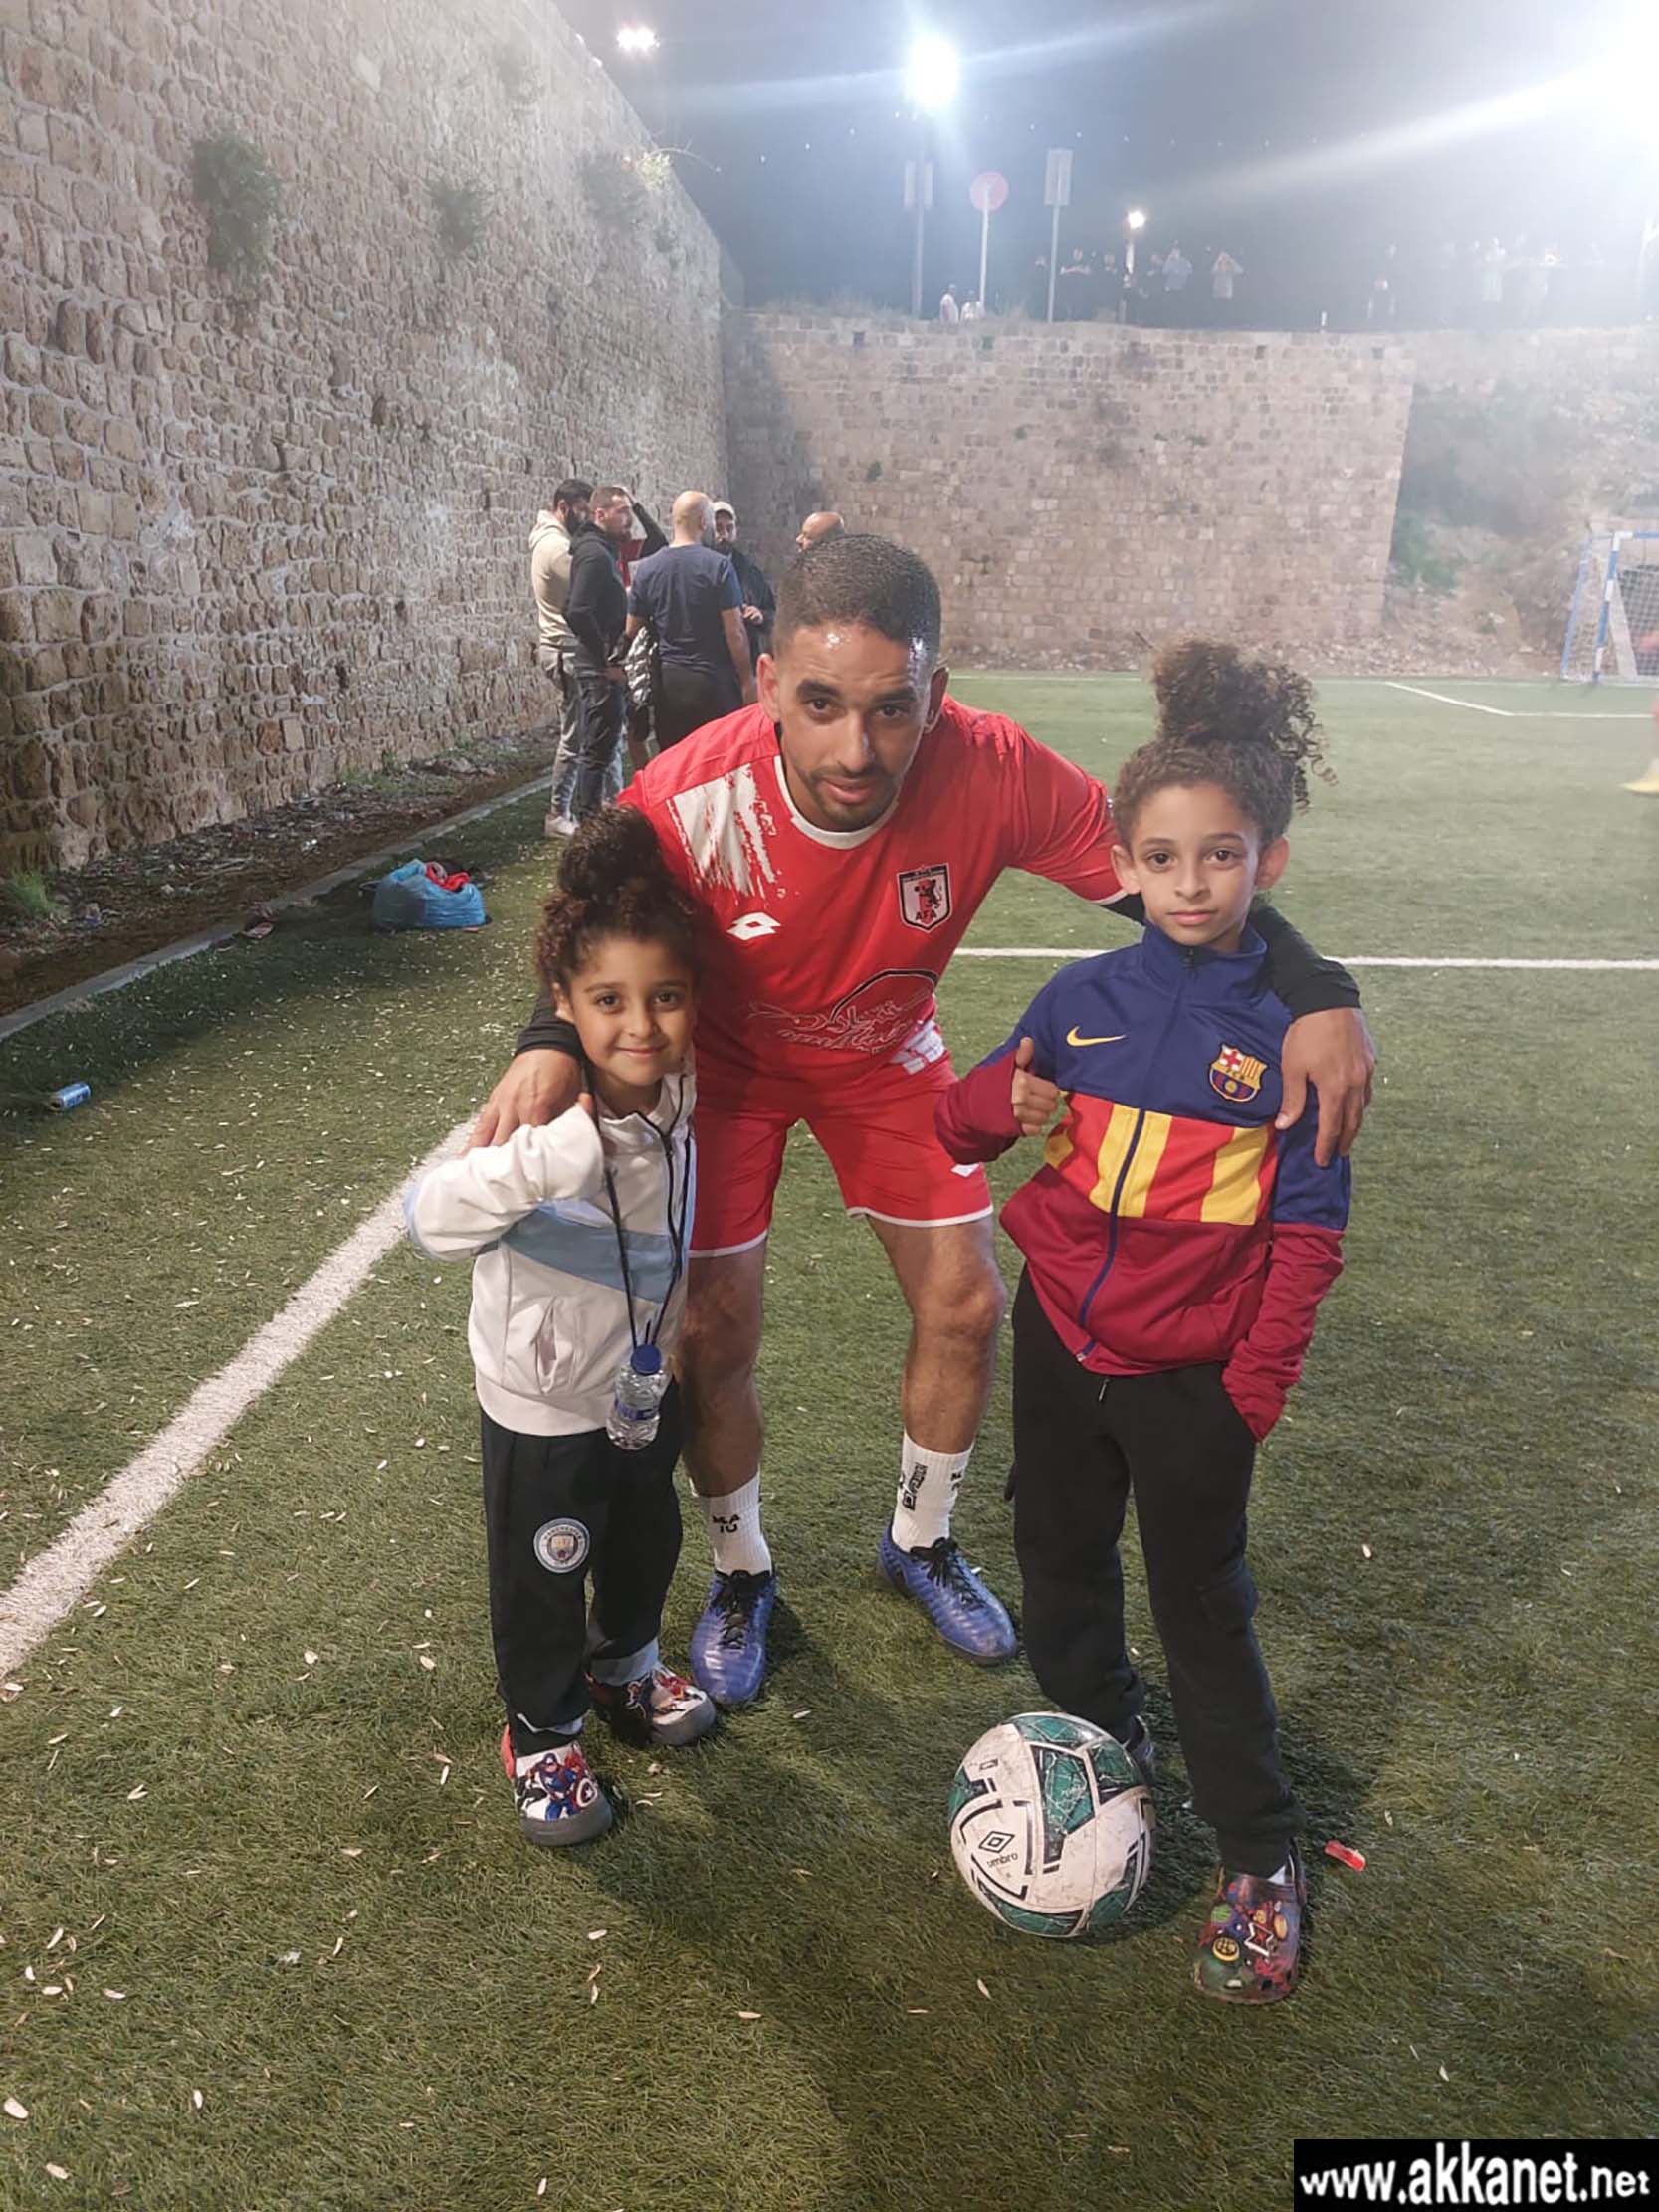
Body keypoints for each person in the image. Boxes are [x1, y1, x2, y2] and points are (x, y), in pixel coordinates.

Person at [468, 536, 1375, 1710]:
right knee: (713, 1330)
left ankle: (922, 1539)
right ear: (767, 685)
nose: (855, 749)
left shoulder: (993, 770)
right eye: (820, 705)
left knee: (964, 1302)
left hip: (883, 1053)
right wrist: (547, 1041)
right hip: (729, 1070)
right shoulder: (690, 796)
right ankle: (741, 1570)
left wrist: (1318, 991)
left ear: (934, 695)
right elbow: (586, 910)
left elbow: (1176, 884)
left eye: (890, 710)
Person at [935, 640, 1351, 2003]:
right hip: (1060, 1346)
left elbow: (1308, 1233)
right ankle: (1102, 1745)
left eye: (1219, 856)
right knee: (1056, 1562)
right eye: (1162, 858)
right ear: (1122, 862)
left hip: (1191, 1385)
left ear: (1266, 861)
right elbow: (956, 1123)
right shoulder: (1080, 999)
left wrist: (1249, 1394)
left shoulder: (1290, 1035)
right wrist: (1002, 1103)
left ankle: (1258, 1855)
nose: (1189, 883)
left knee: (1199, 1608)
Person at [406, 809, 714, 1847]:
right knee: (545, 1566)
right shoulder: (538, 1121)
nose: (641, 1026)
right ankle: (540, 1733)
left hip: (641, 1387)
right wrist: (540, 1163)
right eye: (608, 1001)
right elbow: (427, 1219)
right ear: (563, 1004)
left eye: (665, 996)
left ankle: (624, 1664)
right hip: (541, 1406)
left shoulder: (682, 1094)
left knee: (644, 1539)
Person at [626, 492, 757, 751]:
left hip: (669, 682)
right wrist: (747, 680)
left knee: (675, 759)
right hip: (714, 682)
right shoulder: (718, 566)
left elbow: (631, 629)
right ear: (702, 523)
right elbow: (735, 632)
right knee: (718, 758)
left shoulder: (648, 568)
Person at [561, 486, 640, 823]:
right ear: (600, 514)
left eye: (630, 512)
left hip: (599, 663)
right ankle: (588, 822)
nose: (629, 519)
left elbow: (657, 544)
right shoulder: (595, 554)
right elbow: (576, 610)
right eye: (622, 512)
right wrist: (604, 656)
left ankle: (591, 818)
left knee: (602, 748)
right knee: (596, 750)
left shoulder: (602, 549)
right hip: (599, 668)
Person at [529, 477, 592, 837]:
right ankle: (557, 813)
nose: (586, 519)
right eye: (582, 511)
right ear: (563, 508)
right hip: (565, 649)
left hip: (565, 647)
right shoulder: (556, 548)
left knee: (583, 732)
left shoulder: (558, 541)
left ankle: (582, 805)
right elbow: (591, 587)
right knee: (575, 735)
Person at [713, 500, 776, 670]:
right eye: (718, 528)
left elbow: (773, 614)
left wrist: (761, 615)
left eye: (729, 528)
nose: (724, 536)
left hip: (744, 663)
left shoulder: (751, 573)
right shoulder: (696, 569)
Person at [1211, 249, 1243, 321]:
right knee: (1217, 312)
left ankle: (1226, 323)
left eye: (1225, 259)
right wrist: (1218, 259)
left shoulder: (1230, 269)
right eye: (1223, 259)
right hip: (1217, 293)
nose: (1224, 260)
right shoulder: (1217, 269)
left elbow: (1240, 270)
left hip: (1227, 293)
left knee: (1226, 312)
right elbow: (1213, 270)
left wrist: (1231, 260)